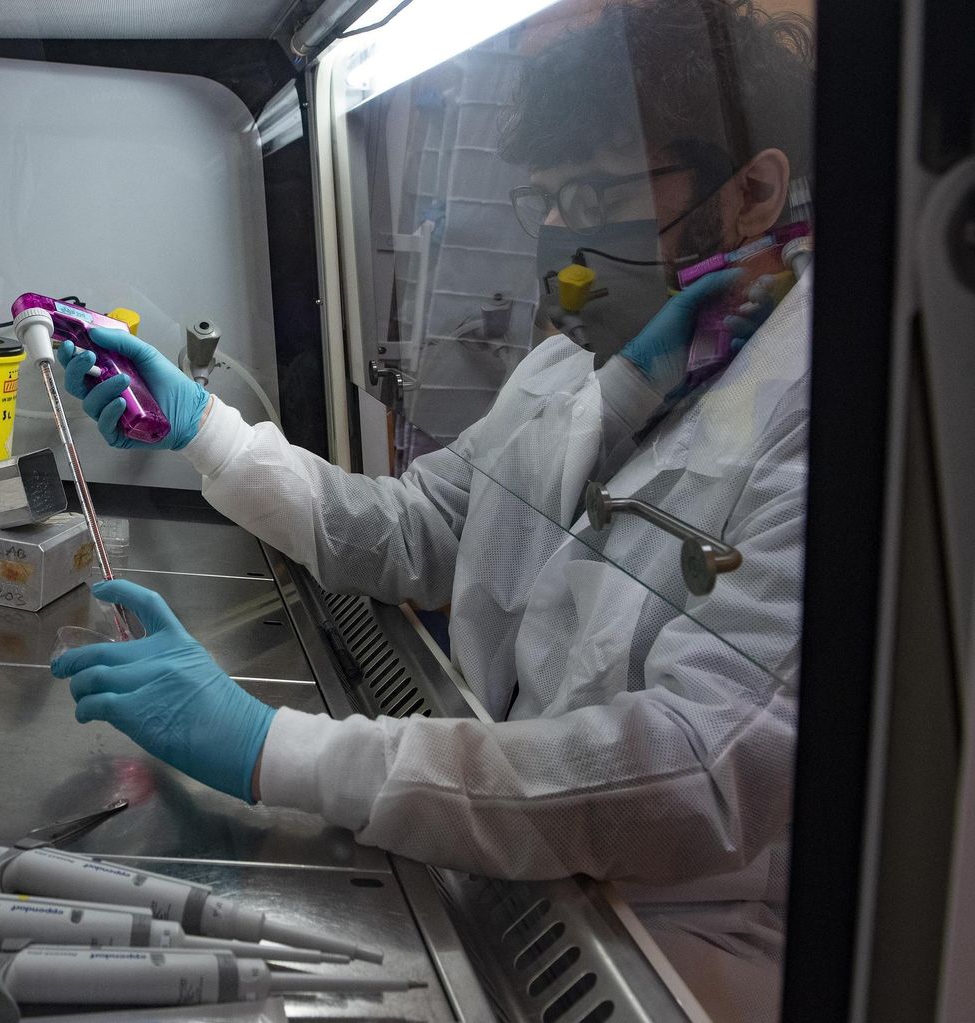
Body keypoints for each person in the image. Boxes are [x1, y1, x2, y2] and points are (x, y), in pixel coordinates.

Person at [49, 1, 813, 1018]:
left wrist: (277, 749)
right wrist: (206, 430)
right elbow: (417, 529)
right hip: (504, 847)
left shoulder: (827, 423)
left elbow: (690, 772)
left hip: (677, 945)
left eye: (598, 194)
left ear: (753, 192)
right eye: (548, 202)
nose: (566, 248)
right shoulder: (569, 368)